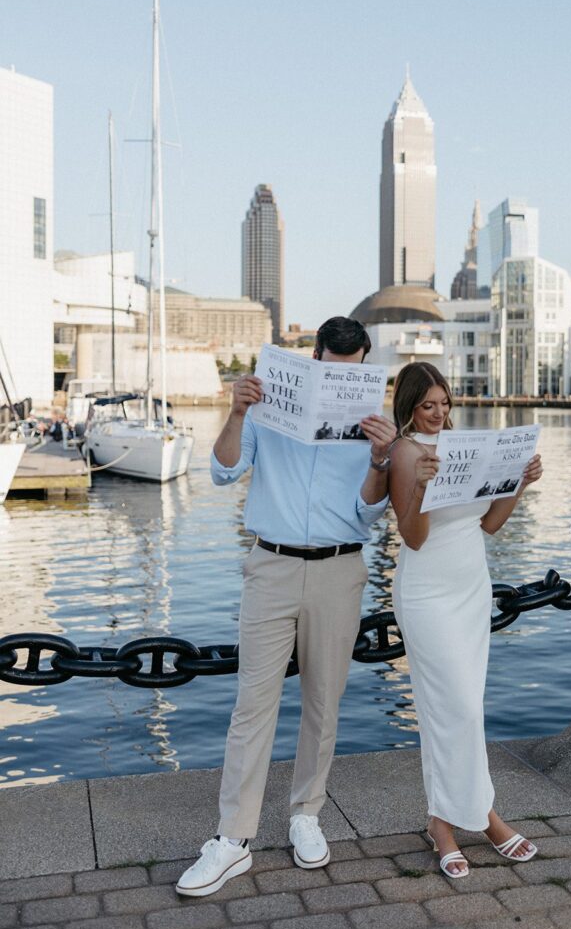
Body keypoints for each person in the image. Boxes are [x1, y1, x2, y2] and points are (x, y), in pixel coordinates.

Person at [177, 317, 396, 897]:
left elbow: (370, 513)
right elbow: (224, 472)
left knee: (324, 701)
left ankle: (305, 814)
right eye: (331, 369)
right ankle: (232, 839)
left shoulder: (377, 422)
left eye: (352, 374)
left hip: (340, 566)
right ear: (315, 356)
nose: (339, 380)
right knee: (253, 704)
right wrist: (238, 412)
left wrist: (380, 458)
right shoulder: (267, 407)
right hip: (269, 565)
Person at [388, 362, 543, 879]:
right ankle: (489, 819)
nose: (438, 414)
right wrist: (419, 491)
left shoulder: (462, 449)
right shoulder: (405, 454)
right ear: (409, 406)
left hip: (470, 587)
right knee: (456, 709)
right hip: (427, 591)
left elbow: (491, 524)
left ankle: (442, 824)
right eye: (427, 405)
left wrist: (517, 483)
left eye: (444, 403)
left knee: (460, 708)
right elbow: (413, 536)